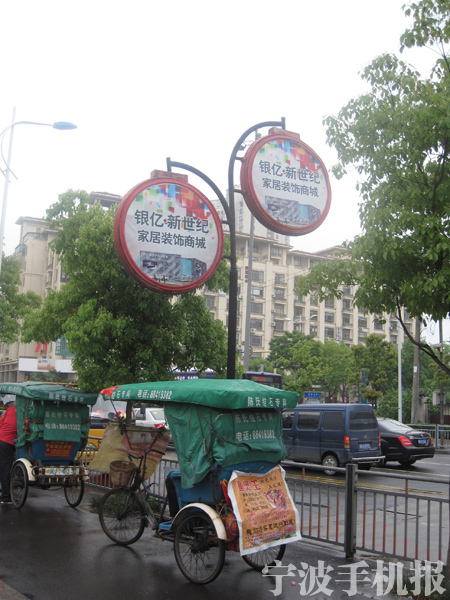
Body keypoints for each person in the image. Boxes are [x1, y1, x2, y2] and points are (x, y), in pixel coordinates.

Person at [0, 400, 17, 504]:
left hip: (2, 439)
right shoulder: (25, 412)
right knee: (6, 468)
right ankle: (5, 497)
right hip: (8, 442)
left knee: (3, 467)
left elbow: (1, 423)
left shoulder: (10, 410)